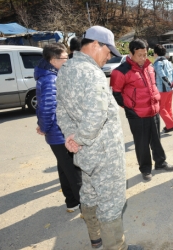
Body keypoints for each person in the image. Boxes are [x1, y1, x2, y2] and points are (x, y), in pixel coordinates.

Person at [56, 26, 142, 250]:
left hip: (85, 154)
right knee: (111, 204)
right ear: (95, 45)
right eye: (108, 51)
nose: (110, 56)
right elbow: (97, 114)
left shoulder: (66, 69)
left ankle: (96, 240)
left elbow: (61, 110)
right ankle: (116, 247)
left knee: (90, 194)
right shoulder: (92, 73)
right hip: (104, 154)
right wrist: (81, 138)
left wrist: (71, 138)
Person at [110, 39, 173, 181]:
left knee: (156, 139)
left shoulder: (149, 67)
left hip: (153, 110)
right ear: (131, 53)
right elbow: (116, 93)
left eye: (145, 54)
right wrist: (130, 107)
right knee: (141, 143)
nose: (143, 58)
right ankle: (145, 169)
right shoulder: (121, 71)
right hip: (136, 114)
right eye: (139, 55)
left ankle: (160, 162)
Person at [34, 43, 82, 213]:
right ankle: (84, 205)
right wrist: (45, 127)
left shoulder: (49, 76)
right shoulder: (51, 79)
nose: (67, 60)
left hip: (55, 133)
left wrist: (42, 125)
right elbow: (47, 108)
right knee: (73, 170)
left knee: (64, 168)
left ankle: (71, 202)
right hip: (60, 133)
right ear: (53, 60)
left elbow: (42, 107)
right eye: (64, 58)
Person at [153, 44, 173, 133]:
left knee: (160, 108)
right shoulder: (168, 62)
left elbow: (162, 76)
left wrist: (168, 84)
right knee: (168, 107)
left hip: (162, 90)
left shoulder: (157, 63)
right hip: (171, 89)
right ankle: (170, 125)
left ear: (155, 53)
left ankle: (170, 125)